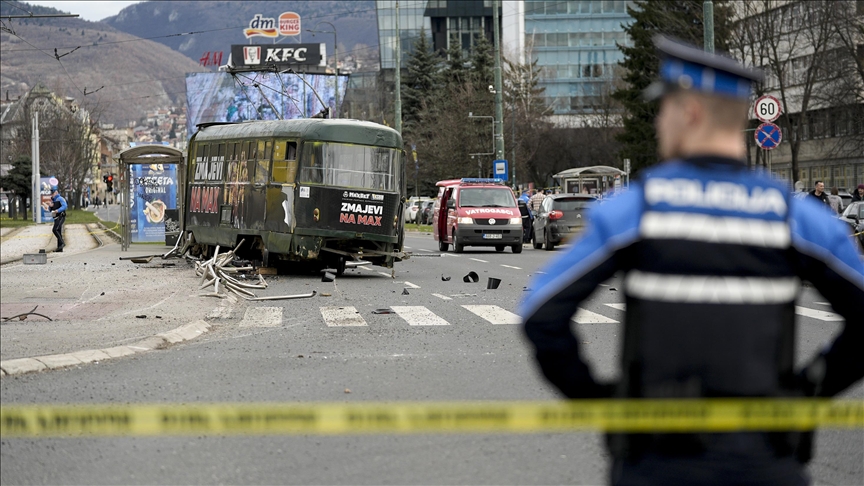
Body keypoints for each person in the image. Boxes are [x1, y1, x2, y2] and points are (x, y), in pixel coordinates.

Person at [520, 36, 863, 486]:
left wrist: (602, 400)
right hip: (764, 461)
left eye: (664, 109)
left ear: (691, 113)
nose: (660, 122)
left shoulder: (635, 210)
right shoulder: (794, 215)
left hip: (658, 463)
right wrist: (806, 392)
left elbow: (540, 315)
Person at [43, 185, 67, 252]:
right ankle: (60, 247)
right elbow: (52, 209)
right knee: (58, 231)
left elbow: (65, 206)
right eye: (51, 193)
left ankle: (62, 243)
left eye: (53, 193)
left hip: (61, 216)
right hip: (56, 217)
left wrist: (58, 210)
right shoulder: (53, 200)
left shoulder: (60, 199)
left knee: (55, 229)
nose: (52, 194)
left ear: (56, 192)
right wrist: (48, 207)